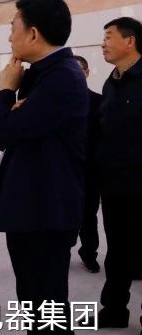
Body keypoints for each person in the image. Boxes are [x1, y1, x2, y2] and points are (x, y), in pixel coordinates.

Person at [0, 0, 86, 335]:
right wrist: (12, 110)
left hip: (46, 212)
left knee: (47, 308)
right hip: (35, 208)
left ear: (33, 33)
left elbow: (3, 132)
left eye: (13, 27)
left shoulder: (60, 78)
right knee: (37, 305)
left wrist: (4, 91)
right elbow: (15, 131)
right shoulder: (44, 74)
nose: (9, 36)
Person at [95, 16, 142, 335]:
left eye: (109, 36)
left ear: (130, 40)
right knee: (117, 251)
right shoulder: (111, 83)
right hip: (113, 183)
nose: (103, 43)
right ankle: (114, 311)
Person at [72, 54, 103, 274]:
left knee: (88, 214)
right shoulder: (57, 103)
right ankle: (60, 253)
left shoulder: (100, 102)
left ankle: (89, 253)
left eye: (78, 69)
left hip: (91, 169)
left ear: (87, 72)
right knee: (63, 213)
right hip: (64, 169)